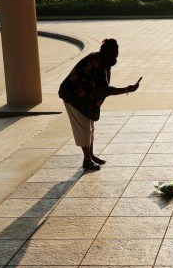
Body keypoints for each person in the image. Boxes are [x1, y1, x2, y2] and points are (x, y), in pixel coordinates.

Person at [58, 38, 140, 170]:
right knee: (84, 128)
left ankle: (90, 155)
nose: (116, 56)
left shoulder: (102, 60)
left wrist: (125, 89)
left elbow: (101, 88)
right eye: (115, 53)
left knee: (90, 128)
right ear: (108, 52)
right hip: (73, 95)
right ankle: (86, 160)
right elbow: (103, 90)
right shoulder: (97, 62)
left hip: (84, 97)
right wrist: (126, 89)